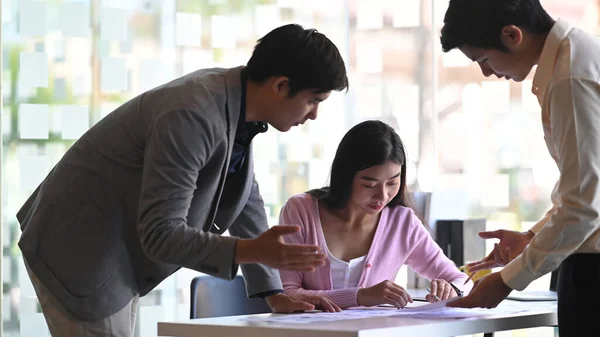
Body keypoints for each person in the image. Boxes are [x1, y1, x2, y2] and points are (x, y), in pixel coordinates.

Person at [17, 24, 348, 336]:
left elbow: (244, 197)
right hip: (79, 248)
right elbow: (160, 234)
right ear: (280, 85)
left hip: (113, 248)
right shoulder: (193, 114)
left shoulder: (238, 106)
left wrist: (274, 293)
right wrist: (250, 250)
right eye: (313, 100)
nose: (314, 114)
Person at [440, 1, 600, 335]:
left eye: (483, 60)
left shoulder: (569, 76)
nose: (486, 72)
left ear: (513, 35)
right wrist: (531, 236)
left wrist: (506, 281)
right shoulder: (576, 54)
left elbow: (584, 206)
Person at [278, 120, 472, 310]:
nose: (382, 196)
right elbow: (287, 293)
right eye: (369, 185)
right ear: (345, 176)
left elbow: (462, 279)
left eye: (392, 183)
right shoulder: (300, 211)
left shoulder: (403, 223)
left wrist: (452, 289)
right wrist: (360, 296)